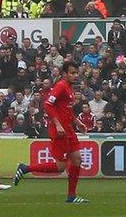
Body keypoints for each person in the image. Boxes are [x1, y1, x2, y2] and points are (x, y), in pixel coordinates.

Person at [12, 61, 87, 202]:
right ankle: (25, 168)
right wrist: (58, 125)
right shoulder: (61, 86)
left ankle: (72, 196)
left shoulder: (69, 88)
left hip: (68, 130)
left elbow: (66, 110)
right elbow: (47, 105)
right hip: (60, 131)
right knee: (60, 167)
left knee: (77, 159)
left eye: (76, 73)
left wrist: (77, 122)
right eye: (72, 73)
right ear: (65, 74)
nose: (75, 75)